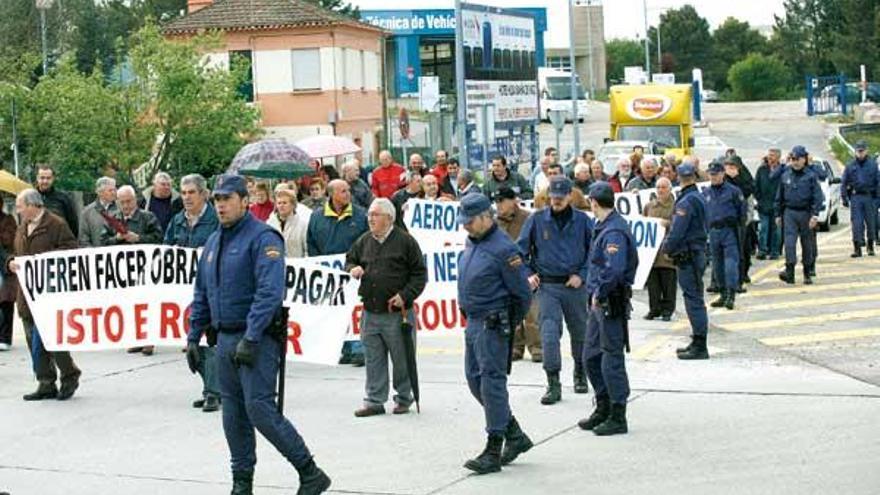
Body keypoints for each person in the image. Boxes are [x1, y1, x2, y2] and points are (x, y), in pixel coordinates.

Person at [187, 174, 331, 495]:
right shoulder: (213, 242)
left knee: (260, 409)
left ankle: (310, 472)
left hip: (257, 339)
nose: (221, 206)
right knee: (233, 416)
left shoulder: (263, 238)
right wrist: (193, 337)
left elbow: (269, 292)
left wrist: (251, 337)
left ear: (244, 200)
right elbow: (201, 294)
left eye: (227, 199)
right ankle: (242, 483)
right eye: (217, 200)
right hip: (223, 340)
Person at [457, 193, 533, 475]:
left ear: (487, 218)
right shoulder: (472, 241)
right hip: (474, 322)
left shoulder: (504, 249)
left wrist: (509, 323)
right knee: (475, 380)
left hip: (492, 324)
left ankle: (494, 445)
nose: (465, 226)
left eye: (470, 221)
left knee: (491, 384)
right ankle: (514, 433)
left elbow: (523, 294)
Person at [346, 198, 427, 417]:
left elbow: (420, 274)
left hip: (397, 313)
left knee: (402, 358)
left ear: (389, 218)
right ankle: (374, 400)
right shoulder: (363, 241)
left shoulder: (406, 242)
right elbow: (350, 259)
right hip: (370, 312)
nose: (370, 218)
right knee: (373, 358)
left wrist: (405, 295)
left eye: (375, 215)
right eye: (370, 214)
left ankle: (403, 398)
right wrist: (353, 268)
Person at [517, 176, 593, 404]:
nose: (557, 201)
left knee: (580, 333)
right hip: (547, 286)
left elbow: (594, 252)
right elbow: (519, 252)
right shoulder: (537, 220)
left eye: (561, 197)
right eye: (553, 197)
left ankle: (581, 372)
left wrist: (582, 275)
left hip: (574, 287)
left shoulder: (583, 221)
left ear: (570, 196)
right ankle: (553, 382)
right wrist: (528, 274)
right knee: (549, 335)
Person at [577, 181, 637, 436]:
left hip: (609, 302)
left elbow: (613, 269)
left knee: (611, 358)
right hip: (598, 303)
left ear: (593, 202)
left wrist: (599, 293)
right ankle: (602, 404)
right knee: (591, 357)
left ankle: (617, 413)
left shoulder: (613, 231)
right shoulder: (602, 226)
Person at [8, 189, 81, 400]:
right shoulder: (22, 226)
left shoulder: (56, 224)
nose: (19, 211)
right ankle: (45, 382)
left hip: (50, 293)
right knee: (33, 340)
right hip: (27, 293)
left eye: (21, 206)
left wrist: (42, 260)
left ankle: (69, 375)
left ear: (32, 205)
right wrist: (10, 262)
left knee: (53, 339)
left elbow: (71, 250)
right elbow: (17, 253)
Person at [165, 174, 221, 412]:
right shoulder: (177, 221)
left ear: (203, 194)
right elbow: (165, 251)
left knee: (213, 340)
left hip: (213, 289)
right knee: (193, 342)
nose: (186, 197)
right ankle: (212, 388)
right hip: (185, 293)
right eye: (184, 192)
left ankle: (214, 392)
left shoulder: (216, 220)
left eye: (191, 192)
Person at [307, 179, 369, 366]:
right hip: (329, 275)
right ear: (332, 194)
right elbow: (311, 244)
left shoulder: (360, 215)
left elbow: (367, 241)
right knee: (336, 311)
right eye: (343, 191)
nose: (348, 193)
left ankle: (359, 348)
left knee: (355, 309)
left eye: (348, 190)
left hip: (354, 272)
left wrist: (361, 265)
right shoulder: (317, 217)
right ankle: (343, 349)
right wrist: (320, 266)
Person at [101, 185, 164, 355]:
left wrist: (139, 239)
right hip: (123, 270)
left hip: (146, 268)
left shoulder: (147, 217)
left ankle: (149, 339)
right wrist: (117, 238)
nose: (126, 205)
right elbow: (102, 242)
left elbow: (159, 240)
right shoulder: (113, 219)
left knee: (147, 304)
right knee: (129, 304)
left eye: (129, 201)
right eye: (122, 202)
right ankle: (136, 337)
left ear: (135, 200)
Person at [663, 164, 709, 359]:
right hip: (696, 252)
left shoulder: (686, 201)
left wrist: (667, 248)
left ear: (679, 177)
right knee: (695, 297)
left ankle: (700, 344)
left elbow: (678, 230)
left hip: (688, 255)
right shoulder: (698, 196)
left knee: (693, 300)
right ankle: (697, 340)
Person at [493, 186, 542, 362]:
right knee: (511, 312)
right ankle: (515, 346)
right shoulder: (495, 222)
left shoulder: (529, 218)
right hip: (506, 272)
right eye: (497, 201)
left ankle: (537, 347)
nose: (499, 205)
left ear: (513, 200)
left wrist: (532, 270)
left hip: (527, 269)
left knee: (531, 311)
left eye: (502, 201)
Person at [776, 145, 824, 285]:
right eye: (793, 159)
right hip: (789, 212)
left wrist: (815, 215)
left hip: (806, 212)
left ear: (804, 159)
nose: (795, 162)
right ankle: (789, 271)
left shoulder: (811, 176)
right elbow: (780, 196)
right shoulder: (785, 175)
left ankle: (807, 272)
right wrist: (778, 214)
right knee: (789, 244)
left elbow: (818, 197)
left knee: (807, 244)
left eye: (798, 159)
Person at [704, 160, 745, 310]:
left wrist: (739, 231)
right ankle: (722, 293)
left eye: (716, 174)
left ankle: (731, 294)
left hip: (729, 230)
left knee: (730, 264)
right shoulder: (706, 192)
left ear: (723, 174)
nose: (713, 177)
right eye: (711, 174)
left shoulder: (733, 191)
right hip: (713, 231)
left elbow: (742, 212)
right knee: (717, 265)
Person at [642, 178, 677, 321]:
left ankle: (668, 310)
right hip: (652, 253)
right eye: (658, 187)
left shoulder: (675, 206)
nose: (660, 190)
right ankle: (654, 308)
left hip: (666, 250)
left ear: (669, 189)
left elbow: (678, 225)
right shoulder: (649, 206)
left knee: (668, 283)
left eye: (663, 187)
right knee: (653, 284)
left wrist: (667, 224)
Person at [841, 140, 879, 257]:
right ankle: (857, 248)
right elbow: (844, 182)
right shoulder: (850, 165)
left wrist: (878, 198)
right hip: (856, 196)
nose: (860, 153)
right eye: (858, 151)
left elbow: (878, 182)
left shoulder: (872, 164)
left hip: (869, 197)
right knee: (857, 223)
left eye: (862, 151)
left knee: (871, 223)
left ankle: (870, 245)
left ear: (866, 151)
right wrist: (844, 198)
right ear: (855, 152)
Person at [723, 155, 755, 290]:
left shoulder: (744, 178)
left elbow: (747, 192)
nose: (729, 169)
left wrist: (736, 178)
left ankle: (742, 275)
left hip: (742, 220)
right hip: (727, 220)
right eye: (728, 167)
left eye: (732, 166)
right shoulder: (723, 179)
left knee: (743, 250)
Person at [755, 148, 783, 260]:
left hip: (777, 206)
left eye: (772, 155)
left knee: (776, 230)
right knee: (763, 228)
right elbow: (756, 185)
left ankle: (774, 251)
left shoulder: (782, 170)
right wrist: (760, 199)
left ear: (778, 157)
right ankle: (762, 250)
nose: (770, 157)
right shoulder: (762, 170)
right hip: (763, 205)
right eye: (769, 155)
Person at [267, 184, 309, 258]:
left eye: (284, 203)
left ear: (293, 205)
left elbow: (307, 250)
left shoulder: (302, 224)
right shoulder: (269, 223)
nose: (281, 206)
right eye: (279, 203)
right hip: (276, 265)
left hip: (297, 266)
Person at [35, 164, 78, 235]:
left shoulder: (63, 198)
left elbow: (73, 224)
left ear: (53, 178)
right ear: (37, 178)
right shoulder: (30, 198)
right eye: (42, 178)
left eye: (48, 178)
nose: (45, 181)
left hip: (59, 242)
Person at [79, 177, 118, 247]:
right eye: (110, 190)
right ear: (100, 193)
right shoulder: (87, 212)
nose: (114, 193)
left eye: (115, 190)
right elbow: (83, 239)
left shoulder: (121, 208)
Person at [0, 206, 16, 351]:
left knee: (5, 301)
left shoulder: (8, 220)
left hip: (4, 263)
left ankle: (5, 337)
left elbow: (10, 241)